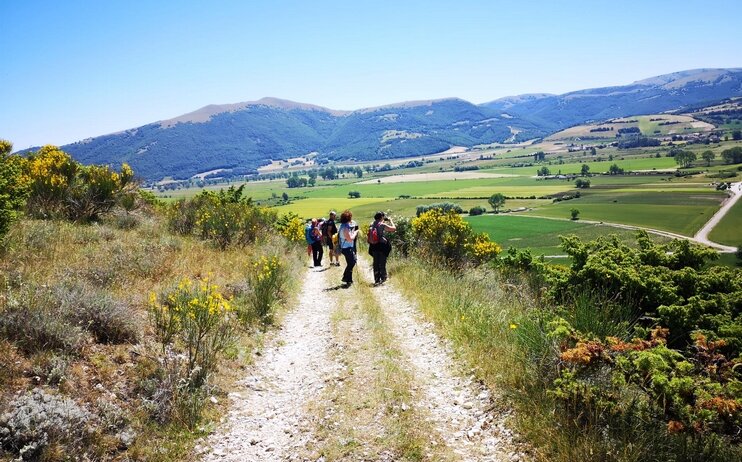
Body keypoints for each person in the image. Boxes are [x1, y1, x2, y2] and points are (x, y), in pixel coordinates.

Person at [368, 211, 395, 285]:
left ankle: (376, 279)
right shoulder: (382, 225)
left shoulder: (372, 224)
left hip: (373, 246)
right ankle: (383, 277)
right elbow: (393, 229)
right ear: (382, 217)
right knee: (382, 262)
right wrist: (391, 221)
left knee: (376, 262)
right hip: (381, 246)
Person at [338, 209, 359, 287]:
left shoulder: (342, 226)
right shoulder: (345, 228)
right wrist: (356, 232)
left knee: (350, 262)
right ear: (349, 218)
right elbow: (350, 238)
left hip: (345, 247)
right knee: (352, 262)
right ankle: (346, 277)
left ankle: (349, 280)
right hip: (347, 247)